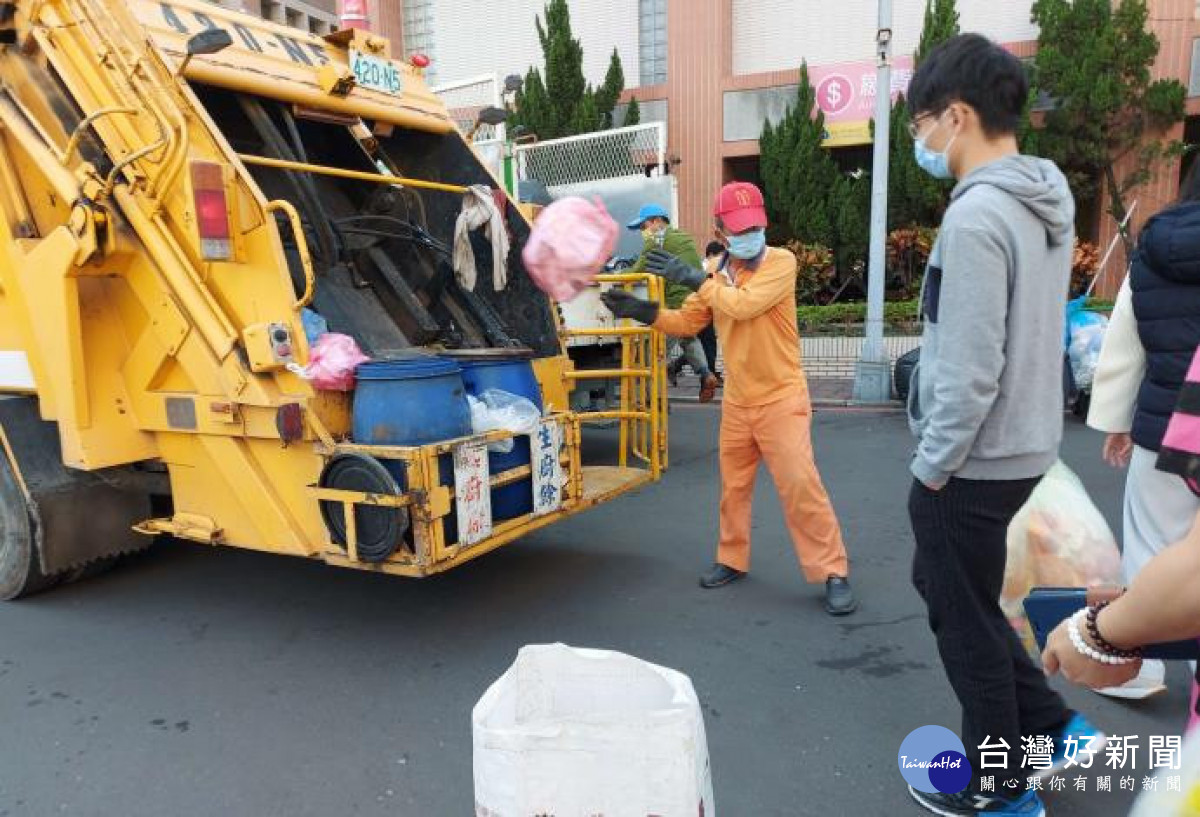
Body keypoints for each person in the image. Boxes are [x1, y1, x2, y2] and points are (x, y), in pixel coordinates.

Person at [903, 34, 1103, 816]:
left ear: (957, 115)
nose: (922, 141)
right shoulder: (1041, 198)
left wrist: (931, 465)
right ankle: (1053, 728)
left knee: (963, 619)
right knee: (955, 588)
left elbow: (969, 365)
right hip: (1025, 443)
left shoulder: (979, 215)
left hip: (973, 457)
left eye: (922, 125)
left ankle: (1002, 785)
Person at [600, 182, 856, 616]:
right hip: (738, 401)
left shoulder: (780, 263)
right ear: (721, 229)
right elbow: (688, 322)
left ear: (764, 222)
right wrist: (643, 312)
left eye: (754, 224)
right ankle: (732, 558)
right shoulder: (718, 274)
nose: (749, 232)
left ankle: (832, 570)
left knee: (801, 487)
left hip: (781, 398)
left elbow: (743, 306)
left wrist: (695, 277)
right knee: (733, 489)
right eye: (739, 227)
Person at [1085, 162, 1200, 694]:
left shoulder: (1155, 248)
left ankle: (1139, 666)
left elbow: (1125, 344)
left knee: (1151, 545)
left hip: (1164, 430)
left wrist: (1117, 422)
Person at [626, 204, 719, 402]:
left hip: (676, 301)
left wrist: (609, 278)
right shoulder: (683, 237)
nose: (643, 232)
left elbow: (635, 272)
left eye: (643, 227)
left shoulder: (655, 241)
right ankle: (705, 373)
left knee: (653, 351)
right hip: (696, 298)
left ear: (655, 221)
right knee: (688, 338)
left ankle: (656, 401)